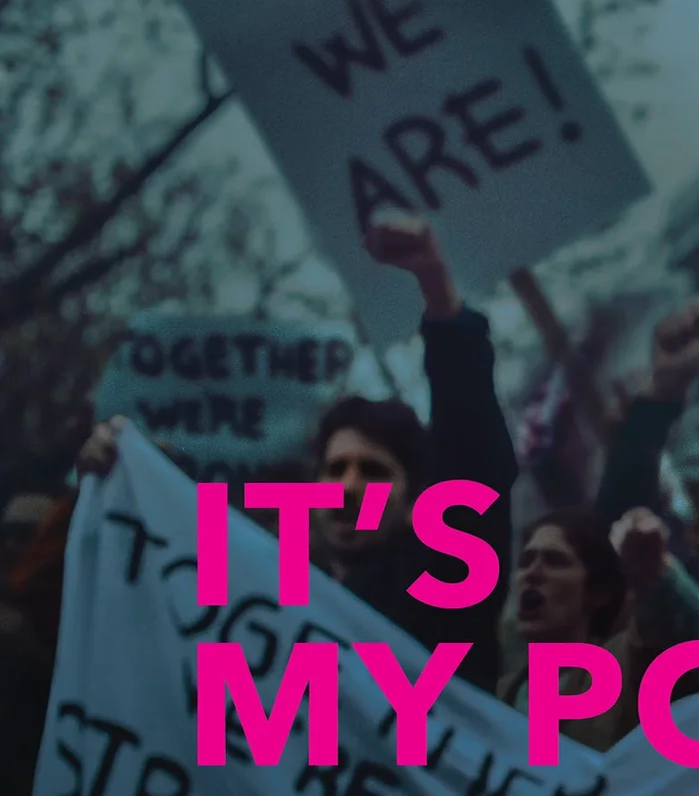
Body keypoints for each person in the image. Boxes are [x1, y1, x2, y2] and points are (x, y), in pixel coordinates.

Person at [74, 211, 516, 688]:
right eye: (335, 469)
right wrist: (125, 476)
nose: (348, 487)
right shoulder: (279, 599)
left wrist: (438, 293)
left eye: (374, 471)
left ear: (415, 504)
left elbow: (472, 459)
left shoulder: (443, 589)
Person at [496, 507, 636, 749]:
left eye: (555, 562)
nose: (532, 573)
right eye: (525, 561)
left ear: (598, 592)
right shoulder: (502, 692)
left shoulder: (621, 669)